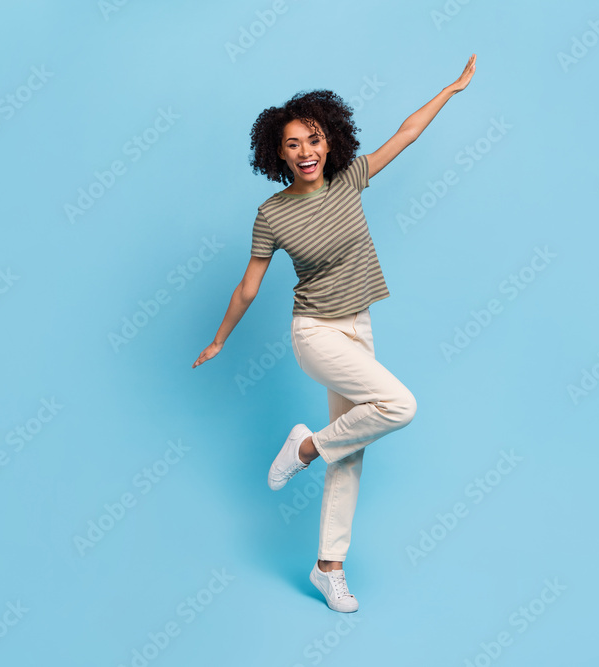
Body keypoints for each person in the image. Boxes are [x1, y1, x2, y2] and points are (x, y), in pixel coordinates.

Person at [193, 54, 477, 612]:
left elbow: (406, 134)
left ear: (331, 142)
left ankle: (328, 568)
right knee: (399, 405)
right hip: (315, 332)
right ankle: (304, 447)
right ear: (278, 152)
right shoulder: (272, 214)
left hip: (358, 325)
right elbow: (248, 287)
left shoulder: (351, 180)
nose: (307, 152)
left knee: (351, 452)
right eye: (294, 144)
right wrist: (222, 337)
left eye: (315, 140)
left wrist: (450, 89)